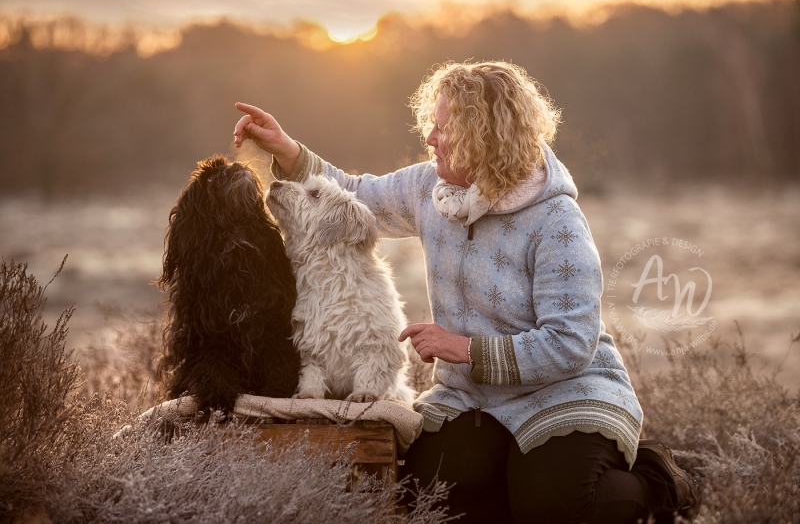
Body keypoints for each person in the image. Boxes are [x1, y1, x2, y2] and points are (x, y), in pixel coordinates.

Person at [233, 60, 701, 523]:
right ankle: (512, 477)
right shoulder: (428, 187)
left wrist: (463, 348)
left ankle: (660, 485)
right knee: (427, 496)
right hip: (471, 397)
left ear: (485, 138)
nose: (430, 139)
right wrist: (289, 151)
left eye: (444, 130)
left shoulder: (557, 221)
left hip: (565, 391)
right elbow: (354, 195)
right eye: (431, 126)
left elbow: (570, 344)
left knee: (553, 506)